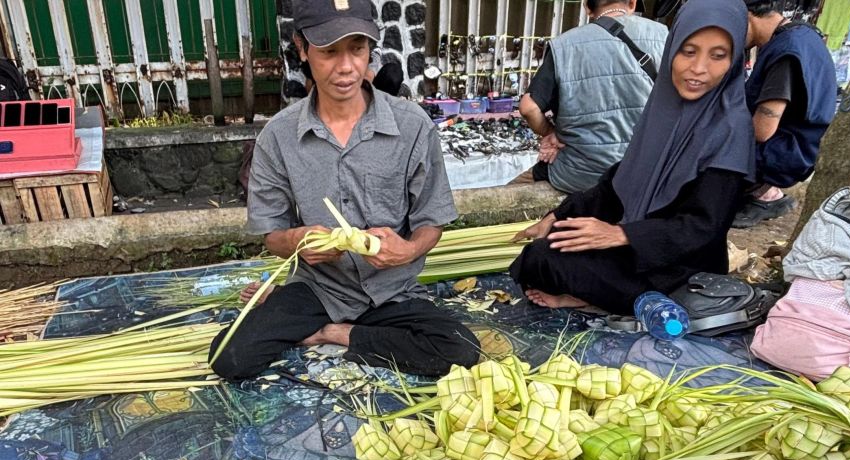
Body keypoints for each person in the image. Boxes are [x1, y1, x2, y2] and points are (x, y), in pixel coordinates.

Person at [210, 0, 478, 381]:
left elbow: (431, 220)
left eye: (357, 48)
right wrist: (300, 241)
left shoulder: (413, 126)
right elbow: (273, 235)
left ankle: (333, 334)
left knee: (461, 349)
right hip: (320, 290)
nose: (347, 66)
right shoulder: (278, 137)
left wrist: (407, 251)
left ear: (371, 48)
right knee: (229, 356)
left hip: (392, 292)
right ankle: (317, 319)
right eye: (329, 51)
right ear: (302, 48)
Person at [508, 0, 755, 315]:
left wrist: (621, 234)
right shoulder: (665, 109)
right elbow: (619, 182)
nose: (698, 68)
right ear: (672, 50)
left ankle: (601, 299)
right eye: (688, 51)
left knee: (545, 260)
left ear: (735, 61)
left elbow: (702, 228)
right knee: (549, 246)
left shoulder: (731, 128)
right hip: (638, 248)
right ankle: (595, 296)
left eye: (717, 55)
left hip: (682, 270)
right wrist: (558, 216)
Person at [515, 0, 669, 194]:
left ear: (587, 7)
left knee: (505, 195)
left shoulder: (564, 45)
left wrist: (550, 132)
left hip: (580, 176)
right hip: (645, 174)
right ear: (632, 3)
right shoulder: (664, 35)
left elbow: (528, 108)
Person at [732, 0, 838, 228]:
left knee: (708, 144)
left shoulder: (786, 51)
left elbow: (762, 131)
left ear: (746, 16)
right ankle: (762, 191)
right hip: (801, 145)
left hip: (788, 153)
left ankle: (764, 195)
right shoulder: (802, 35)